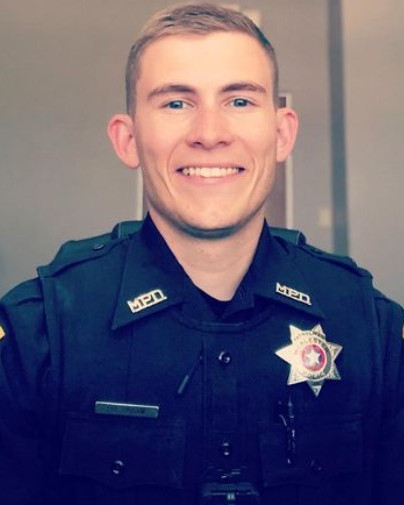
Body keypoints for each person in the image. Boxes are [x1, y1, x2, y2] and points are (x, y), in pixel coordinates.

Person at [0, 3, 403, 504]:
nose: (210, 134)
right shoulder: (36, 336)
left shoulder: (373, 332)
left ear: (282, 134)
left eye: (239, 101)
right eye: (176, 103)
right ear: (128, 140)